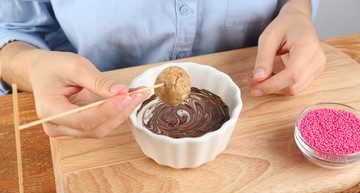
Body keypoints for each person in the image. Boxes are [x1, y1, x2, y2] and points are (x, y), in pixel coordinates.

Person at [0, 0, 325, 138]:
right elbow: (10, 26)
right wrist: (28, 65)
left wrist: (297, 10)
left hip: (260, 111)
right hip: (95, 121)